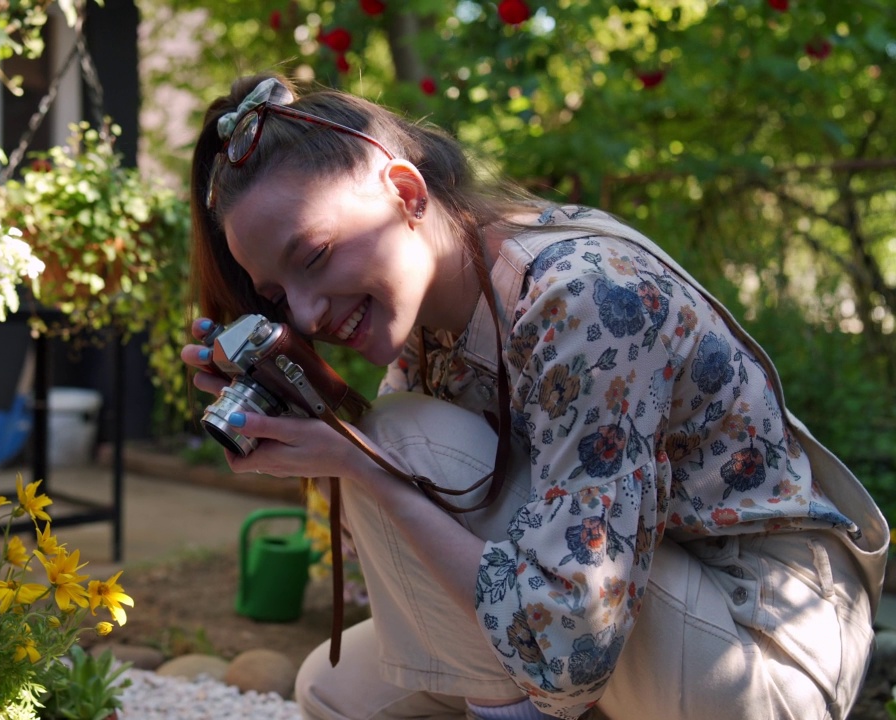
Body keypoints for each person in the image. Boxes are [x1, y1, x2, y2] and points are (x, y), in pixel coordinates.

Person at [180, 73, 888, 720]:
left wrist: (363, 465)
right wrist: (308, 408)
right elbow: (415, 553)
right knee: (333, 690)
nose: (304, 315)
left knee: (401, 443)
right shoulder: (433, 324)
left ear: (405, 191)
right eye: (276, 297)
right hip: (630, 619)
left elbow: (570, 645)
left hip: (759, 651)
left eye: (314, 256)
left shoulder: (584, 297)